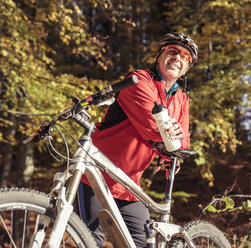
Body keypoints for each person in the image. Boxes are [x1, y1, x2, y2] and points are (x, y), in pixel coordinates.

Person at [78, 32, 198, 247]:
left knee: (140, 243)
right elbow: (151, 126)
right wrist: (168, 145)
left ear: (187, 68)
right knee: (89, 241)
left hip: (129, 184)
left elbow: (184, 142)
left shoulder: (181, 98)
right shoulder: (138, 80)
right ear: (159, 57)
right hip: (95, 174)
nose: (177, 58)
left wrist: (172, 149)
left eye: (185, 57)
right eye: (172, 51)